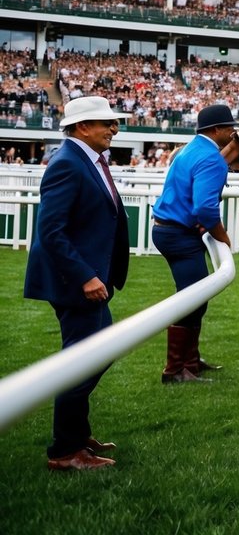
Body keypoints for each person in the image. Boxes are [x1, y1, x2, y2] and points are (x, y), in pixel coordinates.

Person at [23, 96, 130, 470]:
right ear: (83, 127)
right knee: (82, 361)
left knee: (96, 352)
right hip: (75, 281)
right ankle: (65, 451)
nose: (114, 129)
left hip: (88, 276)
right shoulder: (67, 163)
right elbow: (51, 231)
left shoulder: (86, 159)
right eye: (107, 123)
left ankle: (77, 432)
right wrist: (85, 275)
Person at [152, 103, 239, 384]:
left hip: (169, 230)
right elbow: (204, 208)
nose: (233, 133)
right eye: (229, 128)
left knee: (194, 299)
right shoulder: (211, 158)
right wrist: (222, 235)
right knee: (192, 301)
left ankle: (190, 361)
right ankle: (175, 370)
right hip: (179, 235)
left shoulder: (188, 149)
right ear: (216, 130)